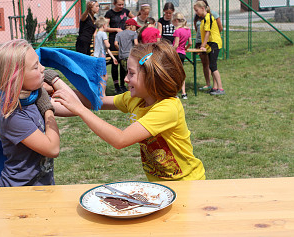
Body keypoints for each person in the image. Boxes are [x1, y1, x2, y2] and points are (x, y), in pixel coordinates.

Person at [53, 41, 206, 182]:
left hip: (188, 183)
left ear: (152, 77)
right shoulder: (136, 99)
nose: (125, 79)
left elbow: (120, 140)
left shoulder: (167, 108)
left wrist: (79, 109)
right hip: (161, 185)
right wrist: (52, 91)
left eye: (131, 73)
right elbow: (95, 102)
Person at [0, 39, 60, 187]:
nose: (42, 68)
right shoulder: (12, 115)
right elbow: (52, 148)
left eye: (39, 63)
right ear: (16, 78)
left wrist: (55, 81)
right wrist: (47, 108)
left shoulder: (30, 97)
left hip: (39, 187)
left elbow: (73, 105)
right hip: (19, 192)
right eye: (35, 67)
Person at [194, 1, 225, 95]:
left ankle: (220, 88)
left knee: (213, 66)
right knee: (211, 65)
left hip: (214, 43)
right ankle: (215, 88)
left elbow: (207, 32)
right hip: (210, 45)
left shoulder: (209, 17)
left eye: (197, 10)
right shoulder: (203, 19)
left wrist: (203, 45)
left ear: (203, 8)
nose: (196, 12)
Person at [105, 0, 135, 94]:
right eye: (119, 4)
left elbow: (134, 20)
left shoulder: (126, 11)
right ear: (114, 4)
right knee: (115, 63)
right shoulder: (109, 13)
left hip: (125, 42)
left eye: (122, 4)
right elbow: (105, 28)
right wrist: (116, 29)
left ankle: (123, 85)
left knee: (124, 64)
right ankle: (116, 86)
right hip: (114, 41)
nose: (121, 6)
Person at [94, 17, 119, 95]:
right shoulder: (103, 34)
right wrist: (109, 43)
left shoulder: (97, 34)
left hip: (97, 57)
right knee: (104, 76)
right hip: (101, 58)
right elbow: (107, 45)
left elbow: (106, 49)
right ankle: (102, 93)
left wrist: (113, 57)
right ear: (104, 25)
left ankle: (100, 92)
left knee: (103, 75)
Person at [172, 12, 192, 100]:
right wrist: (185, 48)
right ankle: (184, 93)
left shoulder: (177, 31)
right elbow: (190, 43)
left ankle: (175, 93)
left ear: (176, 20)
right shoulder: (188, 30)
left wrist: (170, 51)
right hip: (183, 53)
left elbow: (176, 44)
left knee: (175, 74)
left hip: (176, 54)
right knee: (181, 74)